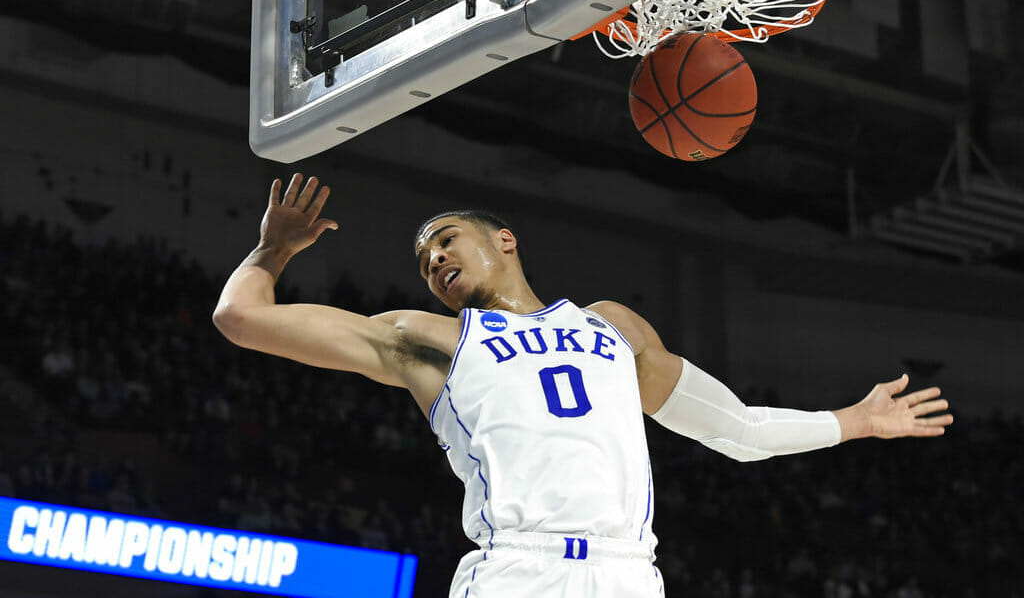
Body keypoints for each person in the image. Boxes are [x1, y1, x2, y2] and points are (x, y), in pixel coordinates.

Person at [213, 174, 953, 598]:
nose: (433, 260)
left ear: (503, 240)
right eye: (423, 260)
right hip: (517, 569)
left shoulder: (612, 327)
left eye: (446, 240)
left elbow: (737, 428)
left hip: (628, 573)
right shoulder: (429, 338)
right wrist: (273, 247)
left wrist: (850, 422)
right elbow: (241, 317)